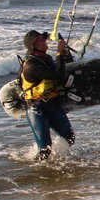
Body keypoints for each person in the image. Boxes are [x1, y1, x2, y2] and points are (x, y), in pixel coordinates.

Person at [20, 30, 75, 161]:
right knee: (45, 149)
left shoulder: (46, 59)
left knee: (69, 138)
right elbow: (56, 75)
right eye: (40, 40)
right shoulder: (30, 65)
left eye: (43, 39)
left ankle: (57, 163)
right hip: (37, 108)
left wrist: (65, 53)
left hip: (53, 104)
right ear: (33, 45)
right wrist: (59, 53)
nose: (44, 41)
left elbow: (64, 69)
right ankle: (37, 173)